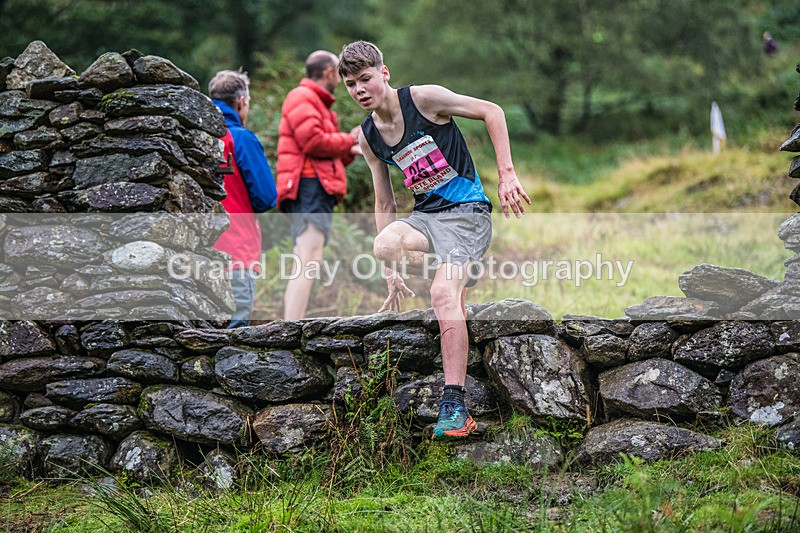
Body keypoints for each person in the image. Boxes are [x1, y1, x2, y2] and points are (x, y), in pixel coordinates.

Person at [338, 41, 530, 440]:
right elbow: (384, 202)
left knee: (441, 295)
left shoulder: (424, 100)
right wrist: (392, 271)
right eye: (351, 84)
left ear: (384, 73)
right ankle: (456, 276)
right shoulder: (369, 136)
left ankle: (455, 407)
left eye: (365, 79)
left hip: (466, 214)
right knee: (384, 245)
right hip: (425, 219)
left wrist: (507, 174)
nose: (359, 89)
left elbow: (492, 111)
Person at [277, 50, 361, 320]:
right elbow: (313, 141)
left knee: (309, 255)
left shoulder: (317, 102)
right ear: (328, 72)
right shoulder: (302, 97)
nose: (342, 79)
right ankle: (291, 326)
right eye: (340, 73)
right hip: (309, 185)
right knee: (308, 255)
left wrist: (350, 148)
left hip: (315, 184)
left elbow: (326, 152)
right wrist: (349, 139)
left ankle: (292, 322)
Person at [209, 70, 278, 328]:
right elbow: (266, 197)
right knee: (233, 333)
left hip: (196, 255)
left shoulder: (194, 139)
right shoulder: (240, 138)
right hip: (236, 250)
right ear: (240, 102)